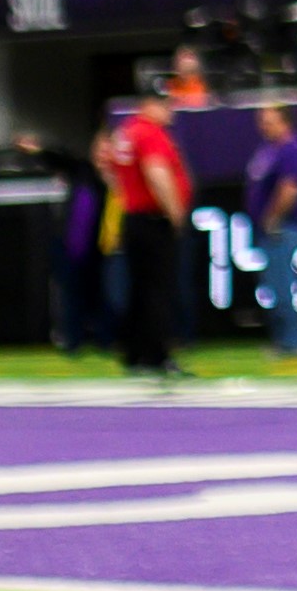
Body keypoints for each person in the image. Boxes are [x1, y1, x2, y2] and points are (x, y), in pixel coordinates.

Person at [97, 90, 197, 381]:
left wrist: (128, 196)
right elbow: (157, 173)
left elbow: (109, 170)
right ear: (151, 105)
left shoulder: (126, 133)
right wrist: (176, 214)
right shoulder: (150, 133)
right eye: (167, 105)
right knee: (158, 290)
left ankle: (135, 353)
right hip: (153, 220)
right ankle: (157, 356)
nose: (171, 112)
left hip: (133, 218)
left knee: (139, 289)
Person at [244, 104, 297, 362]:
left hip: (284, 228)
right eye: (262, 121)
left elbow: (290, 188)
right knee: (273, 287)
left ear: (285, 122)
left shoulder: (290, 149)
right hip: (268, 229)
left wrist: (273, 217)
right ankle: (283, 341)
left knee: (284, 286)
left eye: (270, 121)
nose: (264, 126)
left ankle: (293, 343)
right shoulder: (268, 149)